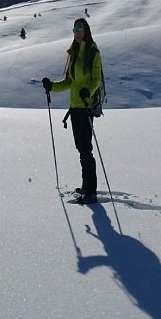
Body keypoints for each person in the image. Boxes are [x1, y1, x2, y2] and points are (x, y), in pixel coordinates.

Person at [42, 18, 103, 204]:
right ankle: (86, 186)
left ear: (86, 31)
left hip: (86, 107)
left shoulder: (93, 53)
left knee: (86, 149)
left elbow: (96, 80)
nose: (76, 32)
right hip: (75, 108)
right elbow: (69, 81)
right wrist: (52, 86)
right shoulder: (74, 53)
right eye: (74, 29)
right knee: (81, 148)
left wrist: (89, 92)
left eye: (80, 29)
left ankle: (91, 191)